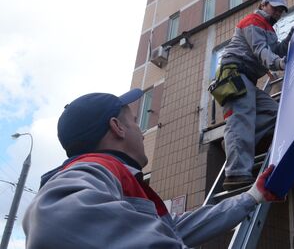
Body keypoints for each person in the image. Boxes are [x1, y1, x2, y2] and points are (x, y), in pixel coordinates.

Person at [23, 89, 280, 249]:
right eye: (135, 122)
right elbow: (54, 220)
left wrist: (252, 196)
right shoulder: (95, 168)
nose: (142, 131)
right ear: (117, 127)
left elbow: (173, 228)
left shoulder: (118, 180)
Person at [218, 0, 294, 191]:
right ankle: (236, 174)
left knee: (274, 113)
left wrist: (288, 39)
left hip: (247, 81)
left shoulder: (269, 29)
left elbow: (275, 49)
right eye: (275, 7)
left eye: (280, 10)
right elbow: (260, 49)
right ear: (263, 4)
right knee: (241, 119)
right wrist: (278, 63)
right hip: (234, 74)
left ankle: (233, 141)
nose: (278, 12)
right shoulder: (253, 20)